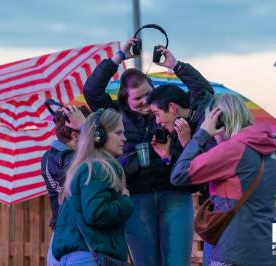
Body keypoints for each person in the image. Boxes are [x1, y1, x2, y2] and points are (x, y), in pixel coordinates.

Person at [83, 38, 213, 266]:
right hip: (137, 197)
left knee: (177, 262)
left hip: (174, 195)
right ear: (125, 98)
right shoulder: (115, 115)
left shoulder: (167, 109)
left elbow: (202, 92)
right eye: (137, 98)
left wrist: (176, 66)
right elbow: (91, 91)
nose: (145, 102)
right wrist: (118, 57)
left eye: (147, 94)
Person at [171, 94, 276, 266]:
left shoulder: (233, 149)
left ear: (219, 122)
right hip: (267, 250)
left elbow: (179, 175)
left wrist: (202, 134)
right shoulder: (267, 148)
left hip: (234, 250)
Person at [52, 108, 133, 265]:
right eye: (118, 133)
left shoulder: (84, 168)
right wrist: (125, 201)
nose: (124, 138)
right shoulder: (98, 168)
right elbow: (96, 213)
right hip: (89, 258)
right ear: (99, 136)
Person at [41, 105, 90, 265]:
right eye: (90, 132)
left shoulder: (50, 157)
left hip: (63, 235)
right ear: (76, 135)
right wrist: (85, 126)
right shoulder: (66, 159)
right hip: (73, 238)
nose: (97, 136)